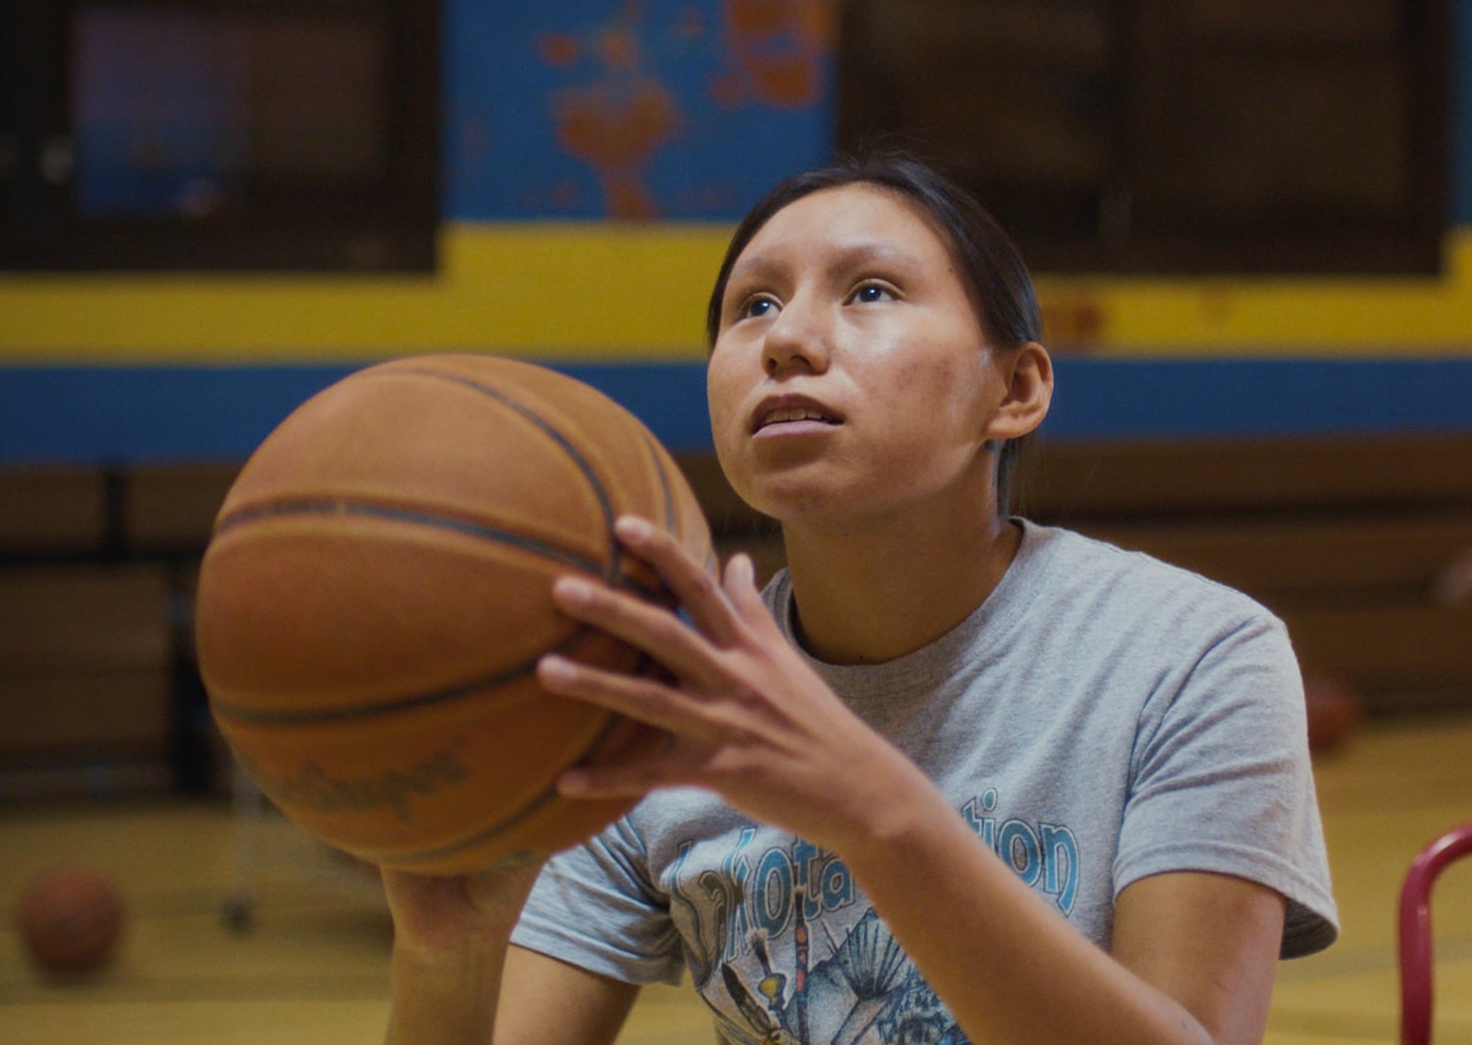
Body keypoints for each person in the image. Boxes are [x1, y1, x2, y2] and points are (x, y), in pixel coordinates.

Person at [381, 154, 1338, 1045]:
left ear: (1014, 388)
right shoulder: (659, 708)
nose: (788, 340)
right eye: (751, 306)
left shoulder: (1192, 653)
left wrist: (877, 813)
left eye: (870, 291)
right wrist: (448, 954)